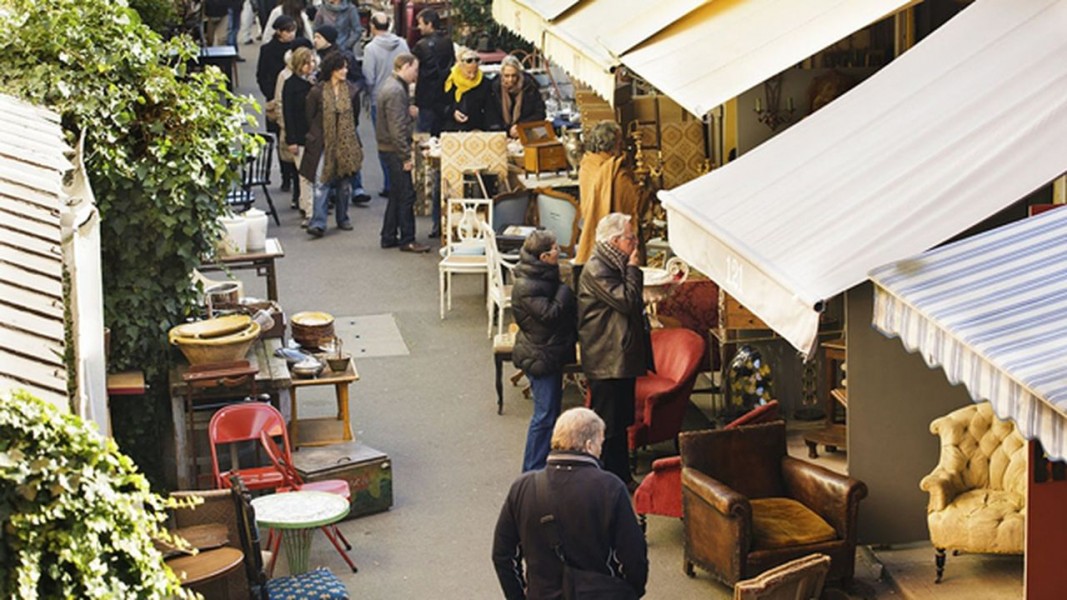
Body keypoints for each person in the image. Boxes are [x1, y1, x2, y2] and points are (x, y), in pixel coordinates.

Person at [492, 407, 648, 599]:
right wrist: (630, 592)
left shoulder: (523, 487)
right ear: (590, 446)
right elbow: (634, 557)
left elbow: (503, 555)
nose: (601, 450)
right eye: (600, 443)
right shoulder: (610, 487)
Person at [577, 213, 653, 487]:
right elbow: (628, 301)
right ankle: (605, 479)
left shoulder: (612, 263)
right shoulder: (598, 268)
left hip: (618, 357)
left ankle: (621, 476)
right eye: (631, 238)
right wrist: (634, 269)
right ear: (615, 240)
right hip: (606, 358)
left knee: (620, 420)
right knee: (607, 424)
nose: (635, 243)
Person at [511, 230, 577, 472]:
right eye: (556, 249)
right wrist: (565, 288)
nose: (559, 252)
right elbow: (550, 315)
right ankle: (531, 470)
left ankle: (541, 465)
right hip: (540, 354)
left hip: (546, 351)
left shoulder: (539, 276)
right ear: (545, 256)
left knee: (548, 413)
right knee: (544, 415)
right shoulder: (528, 285)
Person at [300, 52, 363, 238]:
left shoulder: (352, 91)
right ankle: (318, 222)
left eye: (346, 67)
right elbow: (309, 116)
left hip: (346, 144)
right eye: (340, 68)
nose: (345, 71)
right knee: (321, 182)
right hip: (322, 143)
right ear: (331, 70)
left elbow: (355, 118)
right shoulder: (317, 92)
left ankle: (342, 218)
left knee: (344, 183)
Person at [376, 53, 431, 253]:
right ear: (405, 66)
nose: (416, 75)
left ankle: (389, 235)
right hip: (394, 150)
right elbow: (397, 128)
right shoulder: (396, 90)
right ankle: (408, 239)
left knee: (397, 194)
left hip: (389, 148)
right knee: (406, 194)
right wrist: (406, 156)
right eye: (415, 70)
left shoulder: (393, 86)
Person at [574, 121, 648, 265]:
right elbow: (634, 202)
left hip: (593, 234)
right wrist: (642, 189)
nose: (622, 146)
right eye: (620, 142)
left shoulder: (587, 164)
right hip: (617, 239)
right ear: (613, 144)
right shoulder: (616, 172)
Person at [313, 24, 371, 205]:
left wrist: (351, 92)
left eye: (318, 37)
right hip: (328, 115)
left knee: (349, 148)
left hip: (346, 111)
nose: (315, 40)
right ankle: (337, 190)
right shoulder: (315, 56)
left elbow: (359, 78)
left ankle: (356, 187)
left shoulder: (344, 57)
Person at [362, 12, 409, 200]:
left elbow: (369, 77)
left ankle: (389, 184)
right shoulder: (403, 44)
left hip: (378, 100)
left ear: (372, 26)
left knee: (384, 142)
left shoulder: (371, 48)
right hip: (401, 96)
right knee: (401, 136)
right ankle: (402, 180)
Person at [256, 16, 297, 195]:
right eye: (287, 31)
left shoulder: (297, 49)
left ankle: (294, 175)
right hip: (274, 99)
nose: (291, 34)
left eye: (293, 30)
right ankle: (285, 175)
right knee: (281, 137)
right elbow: (261, 74)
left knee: (293, 137)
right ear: (279, 31)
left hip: (295, 98)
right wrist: (270, 95)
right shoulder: (267, 50)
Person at [282, 45, 317, 227]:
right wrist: (292, 140)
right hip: (300, 136)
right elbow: (288, 114)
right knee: (306, 176)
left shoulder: (308, 84)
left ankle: (307, 207)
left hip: (309, 136)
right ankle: (310, 211)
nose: (311, 65)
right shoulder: (293, 85)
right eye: (307, 62)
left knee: (306, 175)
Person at [411, 7, 454, 137]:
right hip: (444, 96)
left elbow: (414, 69)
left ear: (429, 24)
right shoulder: (448, 41)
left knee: (423, 135)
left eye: (420, 23)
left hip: (426, 97)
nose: (419, 27)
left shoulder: (421, 46)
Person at [487, 55, 546, 138]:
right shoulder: (494, 89)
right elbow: (491, 117)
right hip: (502, 134)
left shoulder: (530, 86)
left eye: (513, 75)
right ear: (502, 74)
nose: (510, 80)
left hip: (526, 131)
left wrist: (520, 127)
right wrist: (508, 130)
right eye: (507, 76)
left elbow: (540, 113)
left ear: (518, 74)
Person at [443, 47, 491, 132]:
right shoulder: (449, 80)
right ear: (460, 67)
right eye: (468, 72)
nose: (472, 76)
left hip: (476, 128)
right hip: (451, 128)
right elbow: (441, 104)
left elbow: (489, 109)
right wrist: (452, 113)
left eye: (475, 72)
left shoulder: (484, 83)